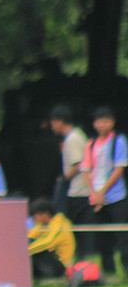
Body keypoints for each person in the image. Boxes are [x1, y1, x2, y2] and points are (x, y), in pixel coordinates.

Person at [80, 106, 128, 280]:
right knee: (102, 236)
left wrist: (102, 192)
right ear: (94, 123)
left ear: (112, 122)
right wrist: (94, 193)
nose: (102, 124)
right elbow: (85, 169)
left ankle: (126, 270)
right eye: (99, 121)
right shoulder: (90, 143)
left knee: (122, 235)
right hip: (97, 197)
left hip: (116, 196)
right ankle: (109, 271)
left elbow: (119, 170)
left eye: (106, 121)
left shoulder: (118, 141)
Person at [48, 105, 92, 258]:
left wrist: (63, 180)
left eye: (53, 122)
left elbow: (78, 165)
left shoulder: (72, 138)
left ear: (60, 121)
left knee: (73, 228)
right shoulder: (76, 136)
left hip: (78, 191)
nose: (52, 126)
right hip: (80, 190)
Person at [27, 198, 75, 279]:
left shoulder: (60, 224)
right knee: (29, 243)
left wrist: (24, 251)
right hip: (51, 260)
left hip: (61, 265)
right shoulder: (43, 224)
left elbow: (48, 242)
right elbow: (31, 236)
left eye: (36, 217)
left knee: (37, 251)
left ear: (45, 214)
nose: (35, 220)